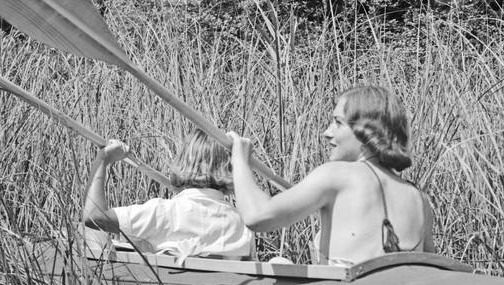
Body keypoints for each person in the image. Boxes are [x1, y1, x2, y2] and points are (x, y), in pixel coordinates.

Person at [228, 85, 434, 265]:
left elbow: (256, 216)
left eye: (338, 122)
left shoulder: (336, 176)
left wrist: (239, 159)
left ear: (366, 131)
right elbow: (427, 272)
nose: (327, 132)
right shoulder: (419, 199)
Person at [83, 131, 253, 260]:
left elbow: (93, 218)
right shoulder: (243, 222)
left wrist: (102, 160)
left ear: (183, 161)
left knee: (92, 233)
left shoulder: (162, 212)